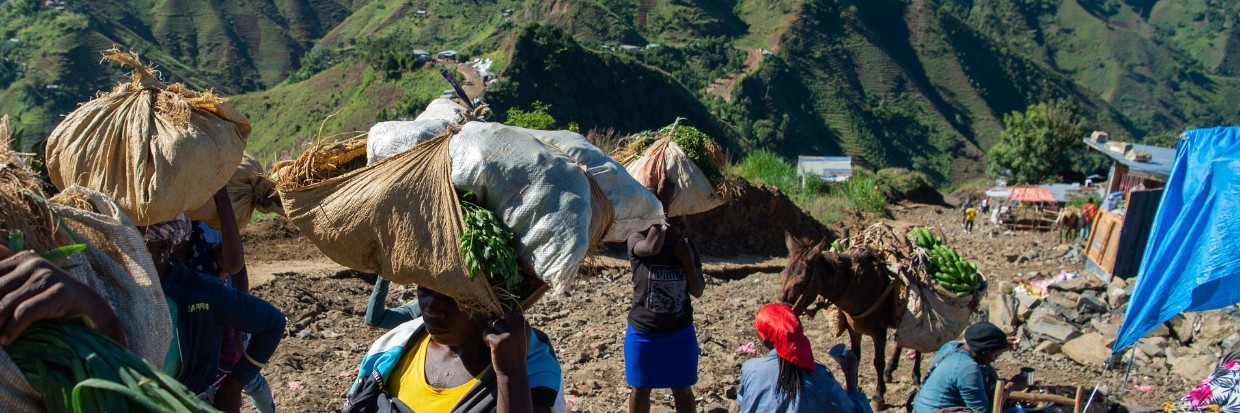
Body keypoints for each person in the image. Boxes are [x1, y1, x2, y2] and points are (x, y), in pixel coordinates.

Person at [146, 214, 286, 413]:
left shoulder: (200, 291)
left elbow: (273, 322)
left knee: (253, 384)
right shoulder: (118, 289)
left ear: (163, 245)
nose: (124, 250)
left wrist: (233, 387)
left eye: (136, 243)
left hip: (191, 404)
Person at [344, 286, 564, 413]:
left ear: (498, 293)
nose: (432, 308)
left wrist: (510, 374)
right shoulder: (393, 347)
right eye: (426, 287)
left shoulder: (532, 367)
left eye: (455, 294)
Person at [625, 206, 706, 413]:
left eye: (684, 220)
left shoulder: (686, 246)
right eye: (677, 220)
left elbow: (697, 290)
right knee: (640, 389)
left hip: (679, 332)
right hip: (644, 333)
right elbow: (652, 248)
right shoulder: (638, 238)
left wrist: (687, 261)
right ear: (663, 218)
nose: (683, 226)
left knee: (682, 389)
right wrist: (663, 204)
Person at [738, 303, 872, 413]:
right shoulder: (820, 376)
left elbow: (745, 401)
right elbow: (856, 411)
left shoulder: (751, 369)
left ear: (763, 340)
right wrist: (851, 378)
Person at [911, 322, 1028, 413]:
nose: (993, 359)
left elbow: (974, 342)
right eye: (995, 355)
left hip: (919, 408)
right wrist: (1010, 387)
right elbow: (981, 411)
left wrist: (1000, 343)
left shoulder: (952, 346)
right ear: (985, 351)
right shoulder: (968, 369)